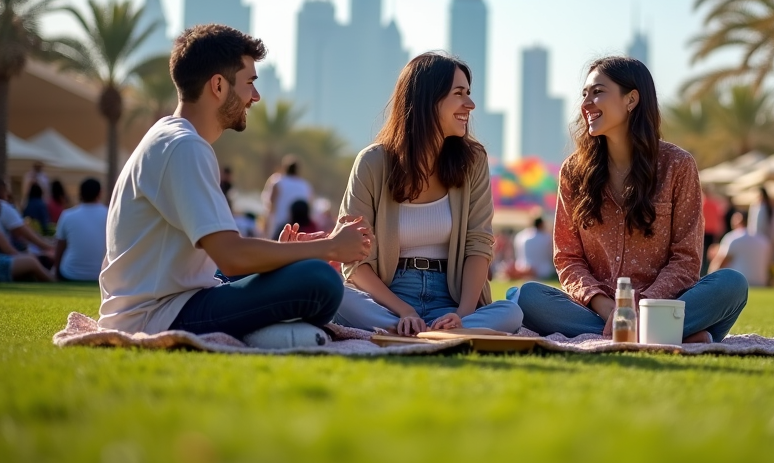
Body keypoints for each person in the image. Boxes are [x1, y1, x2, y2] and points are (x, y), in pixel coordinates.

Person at [98, 24, 372, 338]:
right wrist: (331, 247)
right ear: (218, 85)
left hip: (166, 303)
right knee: (319, 280)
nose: (255, 96)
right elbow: (231, 257)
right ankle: (272, 336)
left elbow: (220, 258)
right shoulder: (185, 146)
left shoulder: (169, 137)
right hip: (157, 316)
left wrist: (279, 255)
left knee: (305, 274)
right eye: (249, 83)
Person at [513, 57, 748, 343]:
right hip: (598, 311)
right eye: (584, 94)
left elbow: (686, 259)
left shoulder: (678, 166)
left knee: (732, 284)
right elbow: (568, 258)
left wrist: (639, 307)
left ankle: (639, 331)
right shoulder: (573, 172)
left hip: (662, 304)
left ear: (631, 100)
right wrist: (609, 307)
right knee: (526, 297)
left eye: (597, 92)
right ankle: (672, 335)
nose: (586, 103)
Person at [333, 52, 523, 336]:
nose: (470, 104)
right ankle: (410, 328)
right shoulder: (372, 162)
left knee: (511, 312)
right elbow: (354, 258)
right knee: (335, 291)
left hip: (451, 298)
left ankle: (419, 332)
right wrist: (404, 310)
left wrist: (462, 313)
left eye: (469, 93)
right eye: (459, 93)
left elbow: (478, 244)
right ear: (427, 99)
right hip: (388, 297)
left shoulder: (473, 161)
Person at [53, 178, 107, 281]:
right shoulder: (110, 215)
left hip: (70, 273)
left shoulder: (67, 215)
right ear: (100, 193)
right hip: (102, 274)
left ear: (80, 193)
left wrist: (56, 272)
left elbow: (59, 247)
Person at [0, 179, 54, 281]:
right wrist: (49, 249)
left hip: (10, 255)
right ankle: (54, 281)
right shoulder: (4, 208)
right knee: (31, 261)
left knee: (33, 261)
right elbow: (11, 250)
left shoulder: (8, 208)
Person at [709, 210, 771, 287]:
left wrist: (709, 279)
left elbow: (719, 264)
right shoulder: (763, 239)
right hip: (760, 283)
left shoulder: (732, 237)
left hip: (737, 284)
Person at [262, 156, 313, 240]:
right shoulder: (305, 185)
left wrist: (266, 225)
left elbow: (270, 204)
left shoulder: (277, 181)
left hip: (278, 226)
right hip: (298, 228)